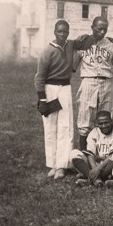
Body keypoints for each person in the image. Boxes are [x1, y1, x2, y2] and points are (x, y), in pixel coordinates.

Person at [34, 20, 75, 179]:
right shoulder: (47, 50)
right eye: (60, 31)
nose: (62, 34)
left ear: (68, 33)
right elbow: (39, 78)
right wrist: (42, 100)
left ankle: (62, 165)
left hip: (65, 88)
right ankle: (52, 164)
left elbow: (86, 41)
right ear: (54, 32)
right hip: (50, 89)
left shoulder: (70, 45)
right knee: (51, 127)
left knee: (65, 126)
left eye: (65, 32)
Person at [74, 16, 113, 150]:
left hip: (106, 82)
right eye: (99, 29)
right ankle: (84, 155)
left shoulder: (111, 44)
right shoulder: (82, 42)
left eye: (105, 29)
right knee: (85, 119)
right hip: (88, 81)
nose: (102, 32)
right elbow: (72, 66)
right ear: (92, 27)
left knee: (106, 119)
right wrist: (75, 45)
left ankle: (104, 153)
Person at [69, 111, 113, 187]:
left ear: (112, 122)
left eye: (106, 122)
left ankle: (90, 179)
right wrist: (95, 168)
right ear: (97, 124)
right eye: (101, 124)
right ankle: (97, 179)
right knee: (74, 153)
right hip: (96, 164)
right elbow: (90, 154)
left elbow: (112, 155)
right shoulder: (94, 132)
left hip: (111, 165)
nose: (104, 126)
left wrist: (98, 169)